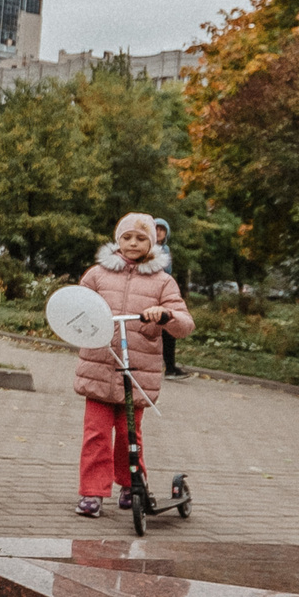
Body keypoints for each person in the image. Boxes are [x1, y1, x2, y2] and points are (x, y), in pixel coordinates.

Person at [70, 214, 194, 517]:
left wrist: (164, 315)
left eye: (140, 238)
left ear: (152, 242)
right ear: (118, 240)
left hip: (136, 370)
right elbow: (77, 307)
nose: (133, 243)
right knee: (95, 434)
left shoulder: (163, 281)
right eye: (127, 237)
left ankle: (131, 484)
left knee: (129, 434)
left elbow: (185, 323)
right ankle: (93, 492)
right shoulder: (97, 275)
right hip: (100, 366)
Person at [152, 217, 187, 377]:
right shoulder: (146, 247)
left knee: (169, 326)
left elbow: (168, 273)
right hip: (148, 291)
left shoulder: (165, 249)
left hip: (162, 291)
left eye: (162, 229)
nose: (158, 231)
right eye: (156, 228)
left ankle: (170, 367)